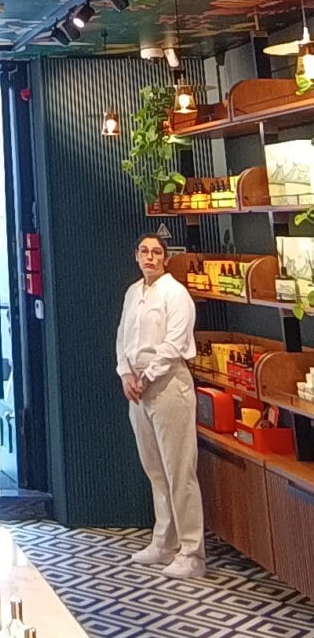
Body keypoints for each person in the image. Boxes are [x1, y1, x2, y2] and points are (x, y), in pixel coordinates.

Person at [116, 233, 205, 579]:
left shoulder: (176, 294)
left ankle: (192, 552)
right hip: (137, 390)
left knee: (179, 470)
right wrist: (126, 374)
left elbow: (174, 343)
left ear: (165, 258)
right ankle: (164, 542)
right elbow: (123, 338)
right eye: (144, 251)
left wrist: (148, 375)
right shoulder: (133, 293)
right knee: (155, 468)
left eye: (156, 252)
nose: (149, 257)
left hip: (168, 385)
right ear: (136, 256)